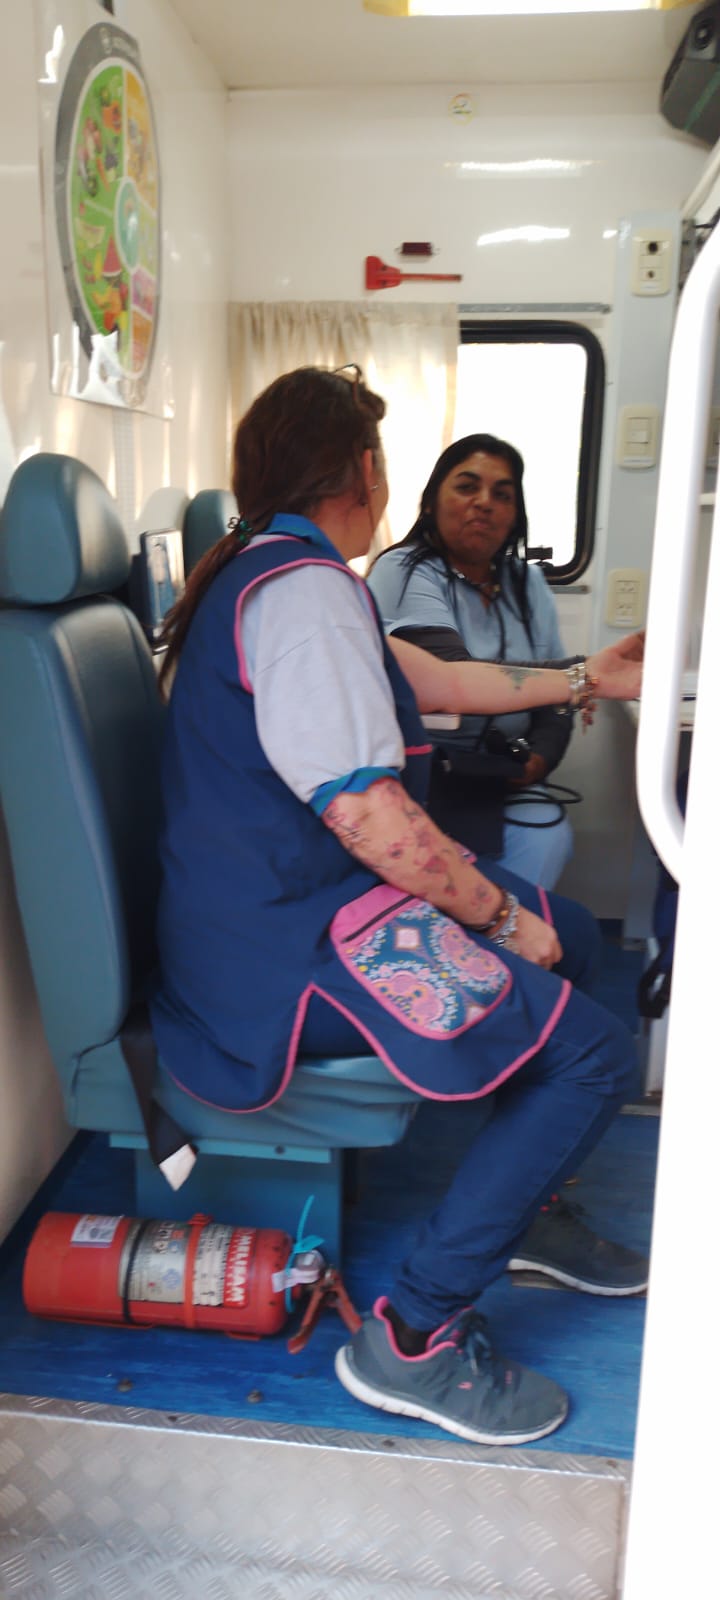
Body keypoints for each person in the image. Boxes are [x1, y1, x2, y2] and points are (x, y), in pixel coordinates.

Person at [151, 365, 646, 1448]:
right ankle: (414, 1335)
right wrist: (501, 921)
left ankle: (526, 1205)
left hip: (291, 912)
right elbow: (369, 816)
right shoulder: (302, 593)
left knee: (579, 948)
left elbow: (438, 682)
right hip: (281, 954)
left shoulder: (279, 571)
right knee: (596, 1055)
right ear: (367, 472)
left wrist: (586, 679)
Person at [368, 435, 578, 888]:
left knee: (547, 835)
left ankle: (509, 930)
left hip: (503, 775)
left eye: (502, 495)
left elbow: (556, 700)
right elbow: (451, 678)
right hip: (428, 772)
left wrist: (539, 759)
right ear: (431, 502)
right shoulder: (402, 569)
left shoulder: (528, 584)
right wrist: (582, 673)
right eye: (467, 487)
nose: (484, 503)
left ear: (515, 515)